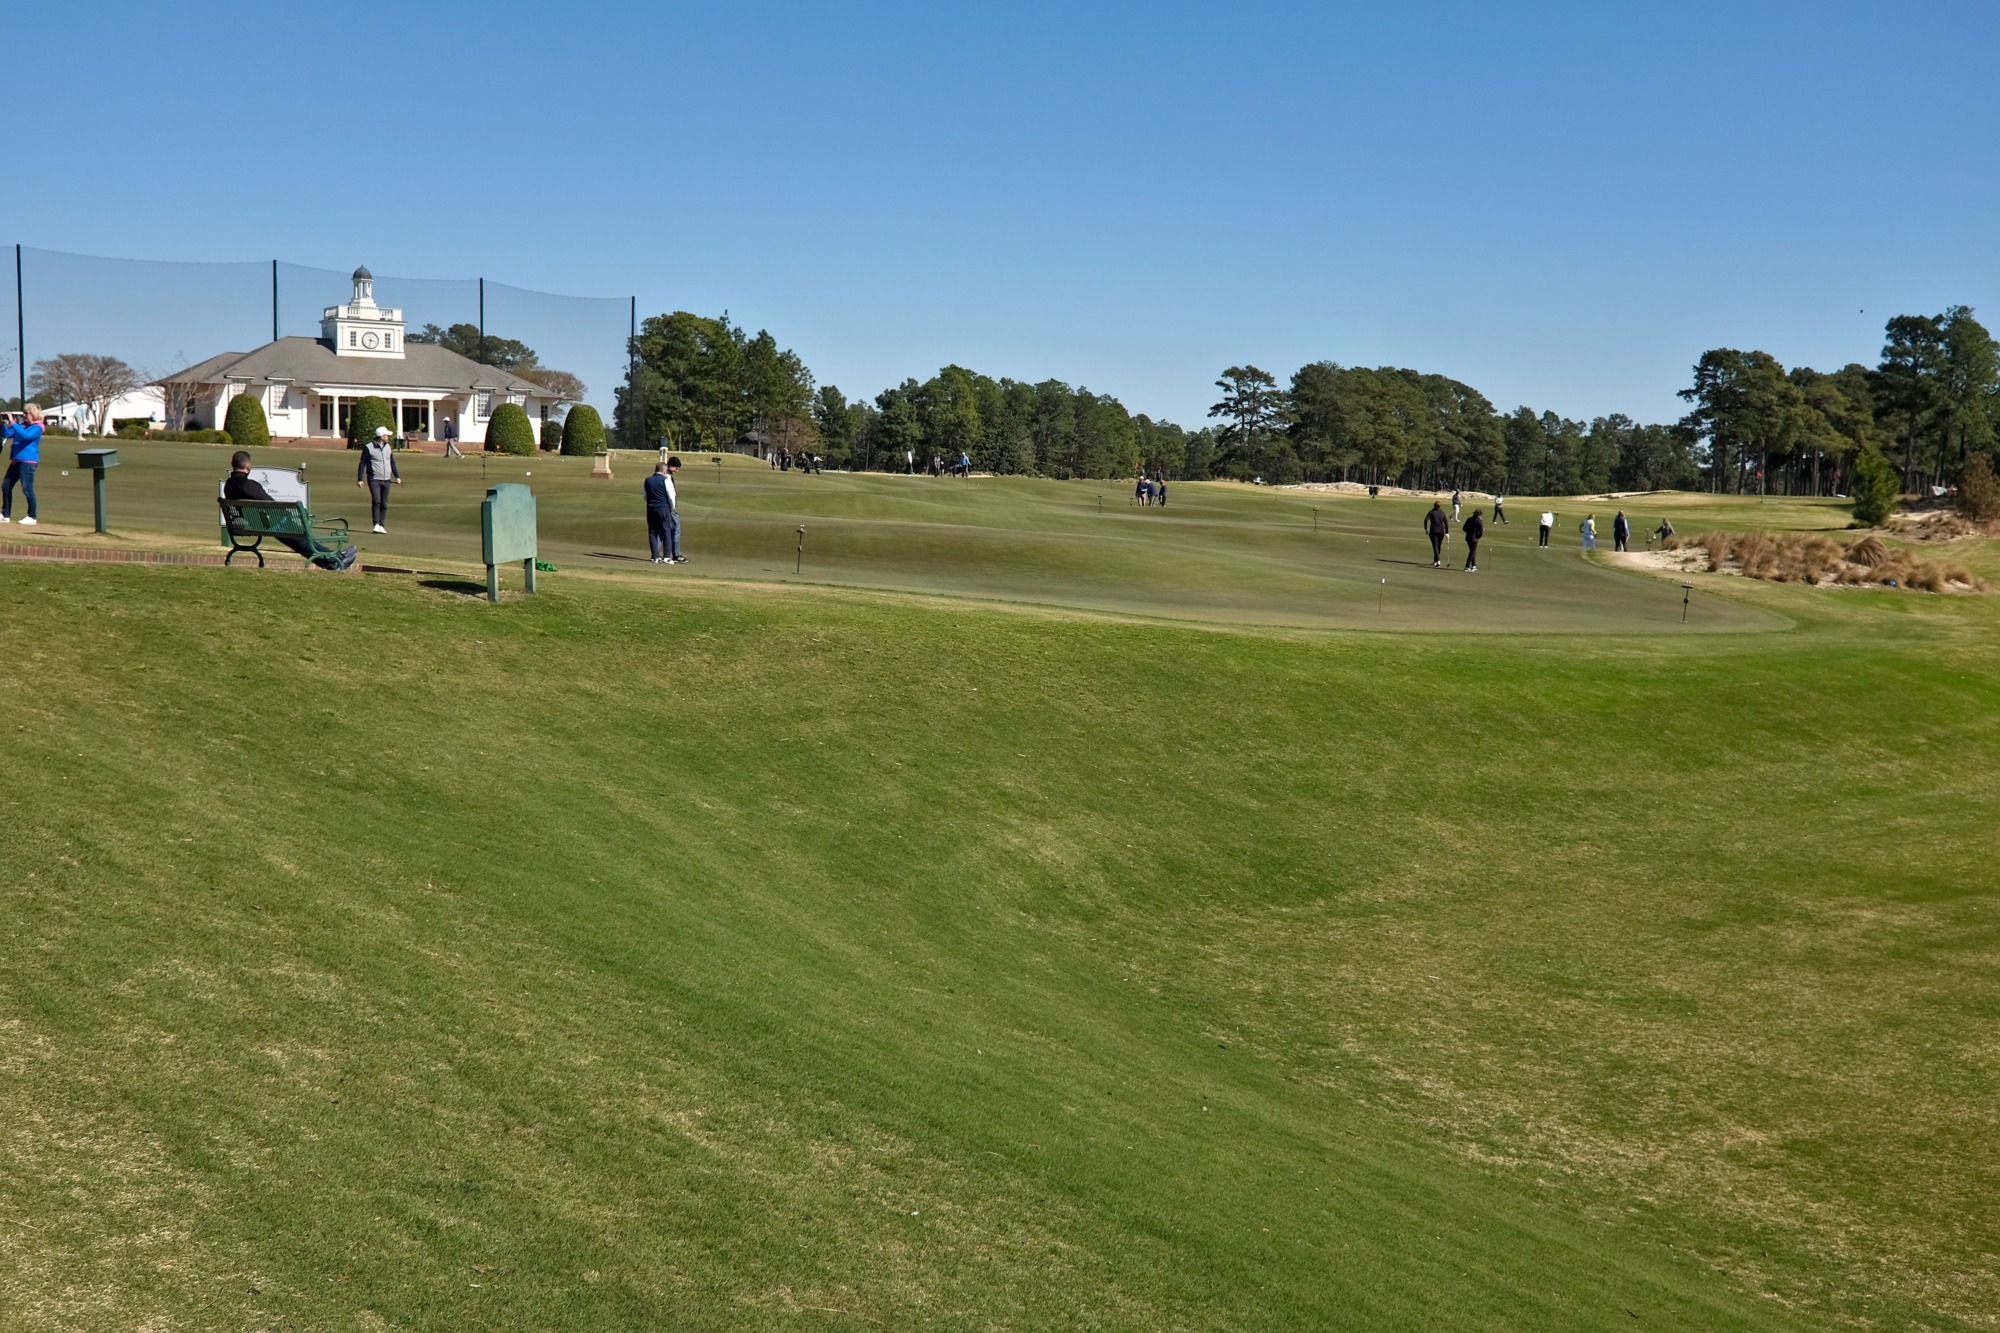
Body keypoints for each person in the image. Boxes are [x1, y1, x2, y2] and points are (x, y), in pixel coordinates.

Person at [223, 451, 355, 570]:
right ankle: (335, 560)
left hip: (251, 524)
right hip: (267, 523)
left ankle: (333, 560)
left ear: (232, 464)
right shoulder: (249, 485)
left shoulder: (228, 485)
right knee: (302, 539)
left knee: (300, 540)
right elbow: (269, 503)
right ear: (248, 466)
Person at [1, 403, 43, 526]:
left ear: (33, 414)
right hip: (16, 460)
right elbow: (8, 434)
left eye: (27, 413)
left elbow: (26, 436)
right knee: (6, 486)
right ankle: (5, 514)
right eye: (24, 413)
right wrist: (3, 424)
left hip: (28, 461)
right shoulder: (22, 426)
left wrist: (13, 423)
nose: (25, 416)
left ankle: (32, 516)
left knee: (27, 488)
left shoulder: (38, 427)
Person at [356, 425, 401, 533]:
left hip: (386, 479)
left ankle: (382, 524)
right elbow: (362, 463)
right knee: (377, 501)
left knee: (384, 503)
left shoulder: (388, 447)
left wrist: (397, 476)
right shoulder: (369, 447)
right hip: (374, 478)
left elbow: (392, 462)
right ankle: (376, 524)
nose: (388, 437)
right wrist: (360, 479)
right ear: (381, 436)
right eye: (386, 435)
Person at [644, 459, 681, 563]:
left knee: (652, 532)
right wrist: (672, 508)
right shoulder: (666, 480)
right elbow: (671, 496)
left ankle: (655, 556)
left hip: (650, 508)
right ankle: (666, 557)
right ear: (664, 471)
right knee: (666, 531)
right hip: (663, 508)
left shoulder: (648, 480)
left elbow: (645, 496)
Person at [1423, 499, 1450, 567]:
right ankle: (1435, 560)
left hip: (1434, 531)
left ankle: (1438, 561)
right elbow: (1446, 523)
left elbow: (1425, 520)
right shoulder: (1442, 513)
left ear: (1434, 506)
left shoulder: (1431, 512)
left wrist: (1426, 529)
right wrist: (1447, 532)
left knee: (1435, 546)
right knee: (1438, 546)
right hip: (1441, 531)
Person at [1462, 507, 1484, 572]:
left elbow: (1464, 528)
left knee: (1473, 551)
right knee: (1472, 552)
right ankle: (1467, 566)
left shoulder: (1469, 519)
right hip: (1474, 539)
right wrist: (1478, 536)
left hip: (1468, 538)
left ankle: (1474, 566)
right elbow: (1481, 531)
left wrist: (1469, 531)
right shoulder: (1479, 521)